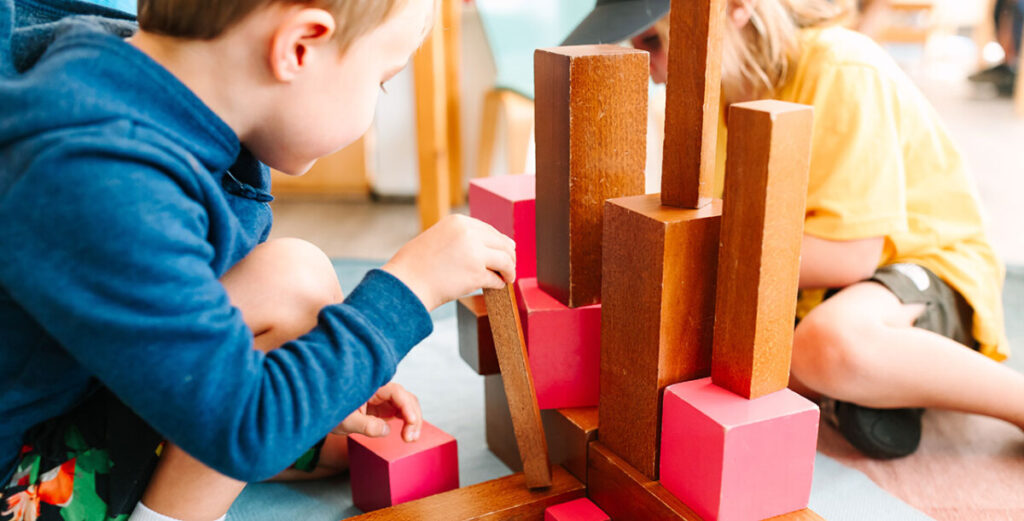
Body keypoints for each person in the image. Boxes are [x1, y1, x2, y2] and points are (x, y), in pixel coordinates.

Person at [0, 0, 517, 520]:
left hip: (74, 381)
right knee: (282, 335)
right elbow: (242, 429)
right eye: (382, 81)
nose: (376, 103)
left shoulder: (140, 82)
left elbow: (182, 308)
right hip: (12, 477)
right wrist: (411, 289)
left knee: (305, 326)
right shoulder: (102, 178)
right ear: (299, 47)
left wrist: (339, 362)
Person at [567, 0, 1022, 459]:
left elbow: (851, 256)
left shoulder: (843, 65)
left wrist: (686, 258)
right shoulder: (720, 94)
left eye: (653, 42)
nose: (651, 69)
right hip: (808, 289)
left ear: (734, 9)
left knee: (828, 345)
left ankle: (1009, 401)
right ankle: (863, 390)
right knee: (696, 363)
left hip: (920, 265)